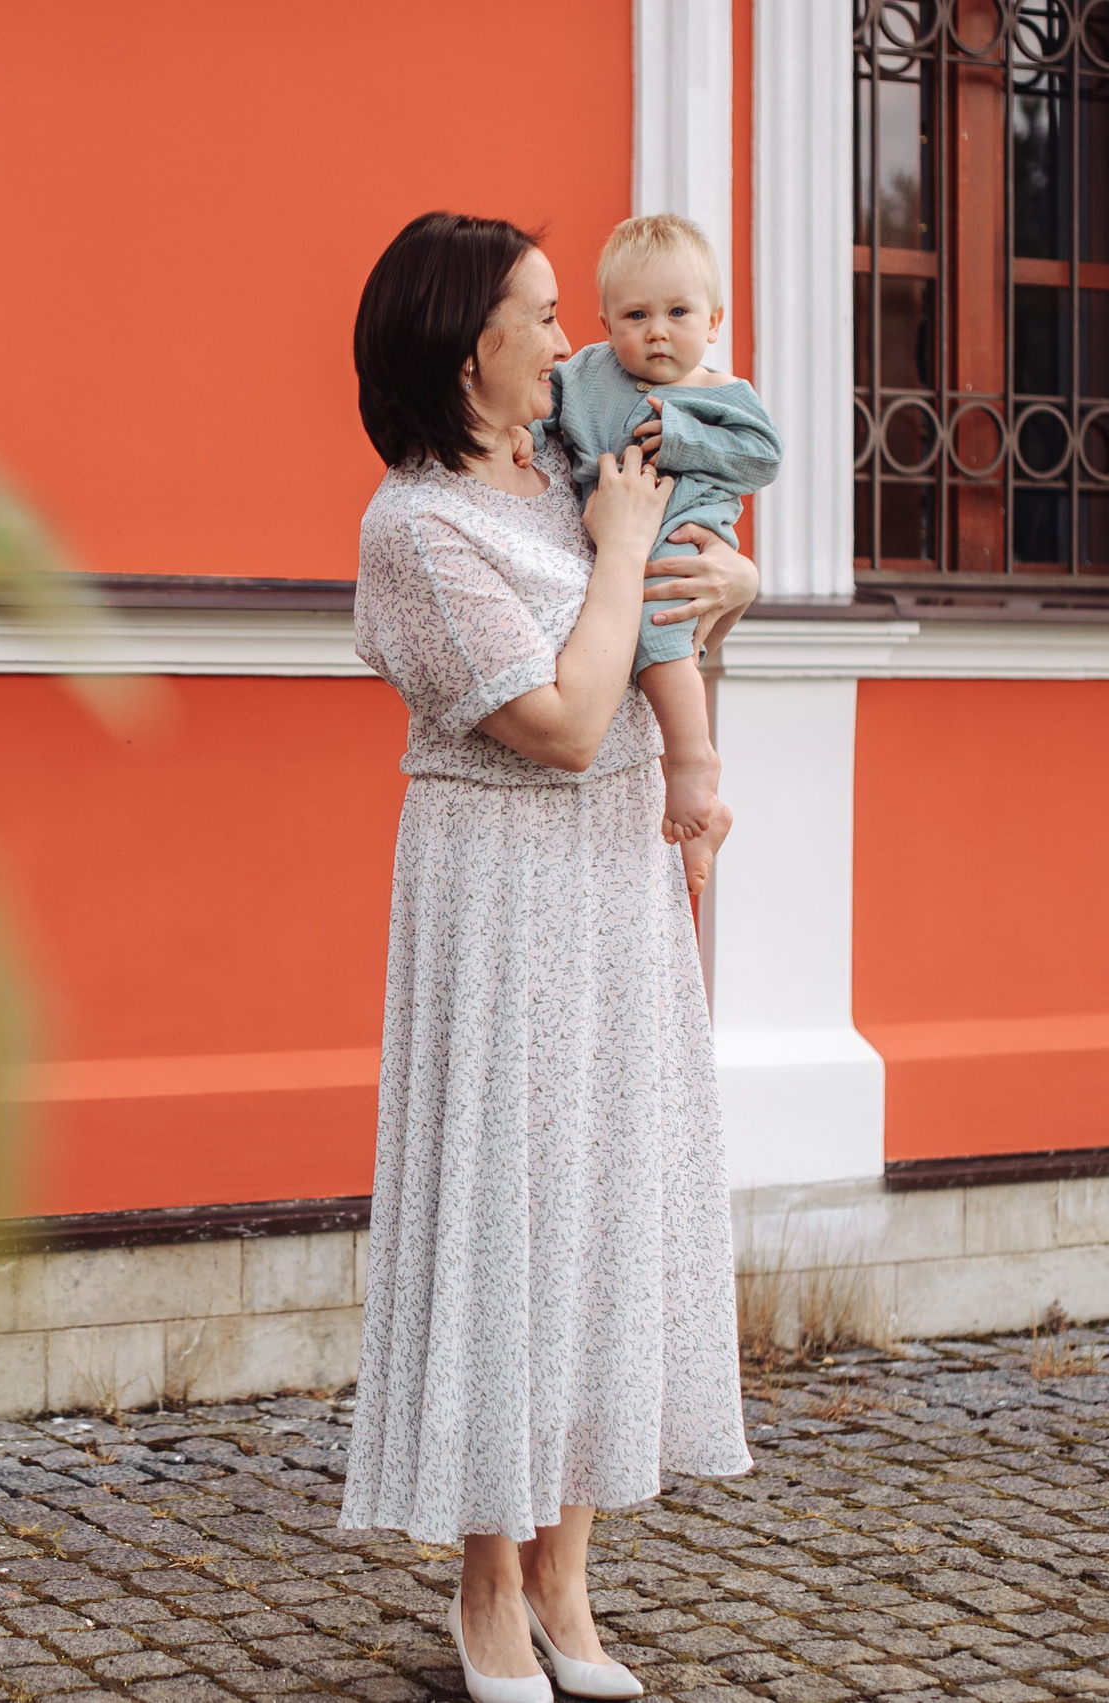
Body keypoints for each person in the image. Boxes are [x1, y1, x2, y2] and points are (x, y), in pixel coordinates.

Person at [339, 211, 757, 1703]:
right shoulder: (417, 527)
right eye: (541, 313)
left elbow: (667, 637)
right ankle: (487, 1583)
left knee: (601, 1213)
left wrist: (728, 589)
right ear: (470, 349)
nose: (570, 337)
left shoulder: (579, 471)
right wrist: (634, 555)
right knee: (507, 1216)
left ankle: (571, 1571)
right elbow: (569, 724)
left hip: (616, 883)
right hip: (500, 890)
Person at [540, 212, 778, 851]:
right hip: (612, 535)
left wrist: (683, 437)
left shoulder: (723, 393)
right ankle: (705, 817)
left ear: (714, 320)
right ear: (605, 323)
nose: (658, 333)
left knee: (658, 622)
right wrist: (520, 437)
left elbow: (763, 457)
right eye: (636, 316)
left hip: (684, 524)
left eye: (679, 313)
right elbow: (545, 416)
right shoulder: (586, 374)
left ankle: (694, 761)